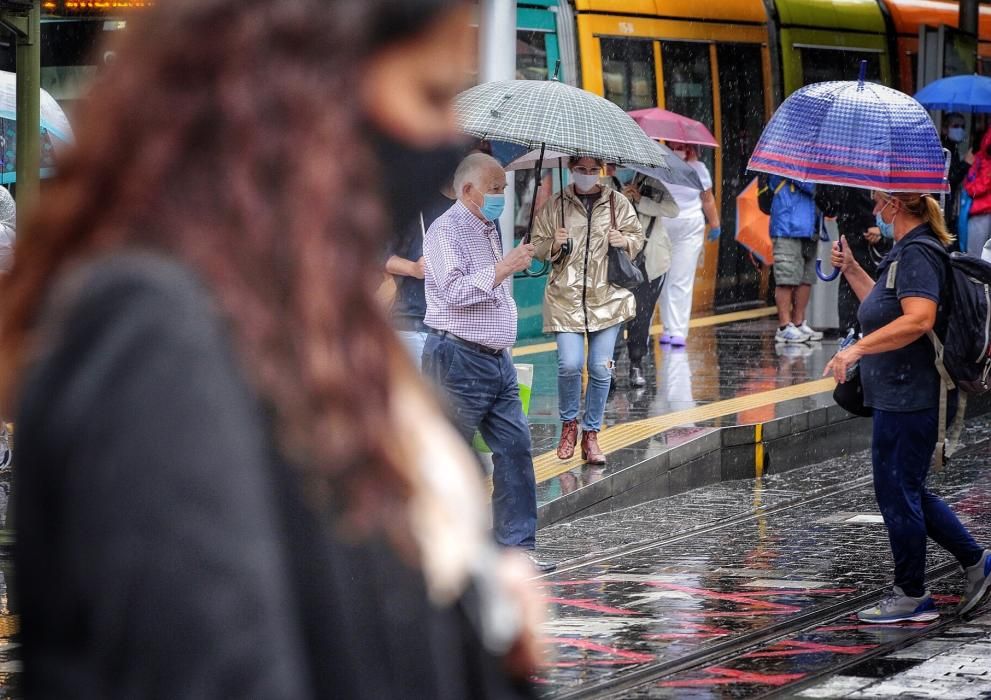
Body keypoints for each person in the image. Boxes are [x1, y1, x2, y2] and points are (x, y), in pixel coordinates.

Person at [0, 1, 544, 697]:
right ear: (301, 89)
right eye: (430, 95)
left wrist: (480, 638)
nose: (446, 139)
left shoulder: (302, 317)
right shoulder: (153, 331)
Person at [825, 191, 991, 623]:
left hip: (913, 394)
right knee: (907, 490)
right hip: (898, 393)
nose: (874, 206)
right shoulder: (902, 253)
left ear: (895, 205)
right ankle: (977, 562)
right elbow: (882, 311)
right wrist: (854, 269)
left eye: (879, 200)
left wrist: (855, 351)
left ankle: (912, 594)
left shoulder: (918, 252)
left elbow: (918, 318)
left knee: (898, 492)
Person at [421, 152, 554, 573]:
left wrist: (516, 263)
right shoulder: (445, 231)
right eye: (495, 189)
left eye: (503, 188)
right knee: (450, 457)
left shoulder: (487, 226)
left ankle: (515, 550)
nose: (501, 196)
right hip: (458, 359)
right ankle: (441, 551)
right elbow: (455, 292)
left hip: (498, 362)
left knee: (515, 449)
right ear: (468, 190)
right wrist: (503, 267)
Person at [531, 156, 644, 465]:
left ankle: (591, 434)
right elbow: (536, 246)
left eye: (592, 170)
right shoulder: (556, 204)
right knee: (569, 364)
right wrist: (553, 243)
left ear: (601, 171)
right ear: (570, 169)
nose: (586, 175)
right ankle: (569, 425)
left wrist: (625, 241)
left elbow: (638, 237)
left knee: (600, 367)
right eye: (580, 169)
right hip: (565, 297)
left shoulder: (616, 202)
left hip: (608, 298)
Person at [385, 185, 455, 365]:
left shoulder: (475, 211)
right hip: (413, 321)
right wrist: (413, 268)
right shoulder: (411, 206)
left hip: (458, 326)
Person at [620, 170, 677, 386]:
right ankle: (611, 365)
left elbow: (672, 210)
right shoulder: (610, 183)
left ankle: (636, 363)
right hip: (619, 260)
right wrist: (622, 199)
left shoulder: (653, 183)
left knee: (641, 315)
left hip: (650, 262)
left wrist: (640, 199)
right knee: (614, 315)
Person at [659, 142, 719, 347]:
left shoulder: (699, 169)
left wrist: (715, 224)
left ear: (690, 147)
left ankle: (678, 331)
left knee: (681, 279)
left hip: (689, 229)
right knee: (664, 280)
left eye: (682, 146)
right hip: (663, 228)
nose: (678, 149)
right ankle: (667, 327)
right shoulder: (659, 165)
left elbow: (707, 199)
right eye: (674, 145)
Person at [816, 185, 891, 334]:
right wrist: (871, 221)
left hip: (849, 222)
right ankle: (856, 329)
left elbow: (825, 201)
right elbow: (860, 191)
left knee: (851, 279)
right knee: (860, 277)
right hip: (860, 229)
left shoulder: (837, 169)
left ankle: (851, 329)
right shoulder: (863, 169)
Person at [768, 175, 821, 344]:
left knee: (806, 277)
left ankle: (798, 323)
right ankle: (784, 326)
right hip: (787, 225)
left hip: (810, 226)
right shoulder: (787, 157)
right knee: (786, 276)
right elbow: (810, 185)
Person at [942, 112, 970, 235]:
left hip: (952, 205)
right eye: (955, 126)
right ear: (945, 129)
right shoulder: (944, 149)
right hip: (944, 206)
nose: (960, 130)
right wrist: (966, 164)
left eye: (963, 127)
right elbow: (950, 178)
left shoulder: (954, 148)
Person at [964, 129, 991, 258]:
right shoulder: (981, 159)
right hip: (981, 212)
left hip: (982, 212)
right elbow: (971, 188)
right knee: (975, 256)